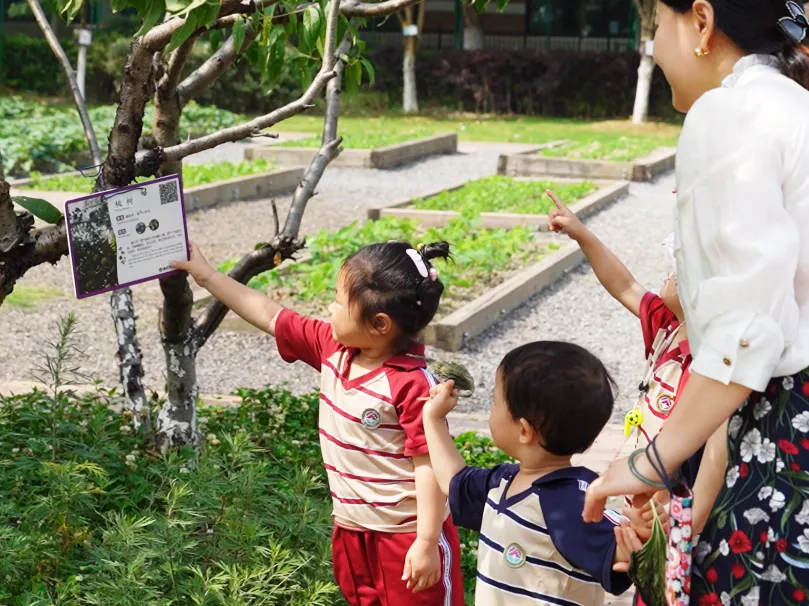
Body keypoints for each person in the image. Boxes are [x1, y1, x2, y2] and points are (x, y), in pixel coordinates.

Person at [581, 1, 809, 603]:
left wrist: (650, 460)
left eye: (658, 23)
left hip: (785, 438)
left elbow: (746, 328)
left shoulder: (729, 113)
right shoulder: (794, 107)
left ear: (701, 24)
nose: (655, 45)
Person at [173, 240, 465, 605]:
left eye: (340, 302)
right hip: (352, 530)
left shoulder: (411, 383)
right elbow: (269, 314)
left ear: (379, 325)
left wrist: (425, 542)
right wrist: (208, 276)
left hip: (405, 537)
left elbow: (429, 467)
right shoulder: (333, 349)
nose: (330, 308)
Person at [421, 341, 665, 605]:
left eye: (495, 402)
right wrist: (433, 421)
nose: (491, 410)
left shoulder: (571, 502)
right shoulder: (502, 482)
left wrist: (635, 538)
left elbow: (611, 552)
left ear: (524, 430)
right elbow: (454, 482)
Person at [545, 193, 727, 539]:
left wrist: (657, 503)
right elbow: (624, 285)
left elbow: (692, 449)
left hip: (669, 494)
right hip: (643, 479)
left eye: (675, 271)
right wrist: (581, 234)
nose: (667, 275)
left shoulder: (704, 361)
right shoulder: (668, 327)